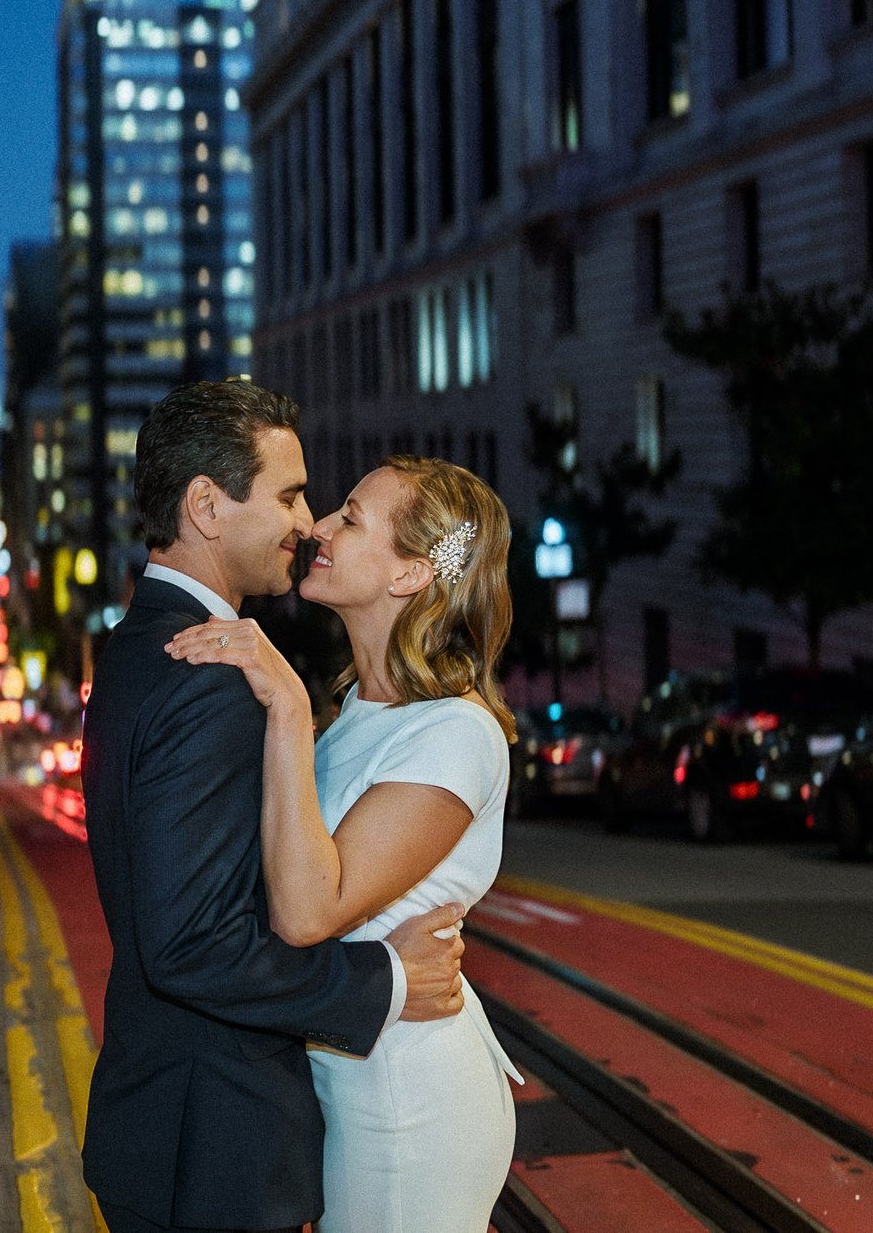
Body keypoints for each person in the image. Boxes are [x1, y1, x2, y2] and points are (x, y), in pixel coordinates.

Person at [81, 384, 471, 1233]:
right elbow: (193, 945)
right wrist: (388, 978)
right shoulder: (208, 680)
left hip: (172, 1129)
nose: (307, 522)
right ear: (207, 506)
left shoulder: (137, 645)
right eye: (289, 495)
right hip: (212, 1146)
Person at [167, 455, 522, 1233]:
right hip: (347, 1079)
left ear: (410, 576)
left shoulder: (457, 733)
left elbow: (305, 910)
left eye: (351, 519)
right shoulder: (357, 711)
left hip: (406, 1100)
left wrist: (287, 706)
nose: (318, 527)